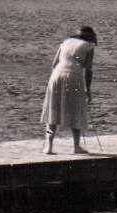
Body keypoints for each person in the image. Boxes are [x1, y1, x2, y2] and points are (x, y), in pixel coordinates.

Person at [40, 26, 97, 154]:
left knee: (53, 109)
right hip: (74, 76)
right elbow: (88, 70)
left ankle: (48, 146)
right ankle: (76, 146)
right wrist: (88, 90)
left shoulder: (66, 42)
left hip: (56, 75)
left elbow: (54, 63)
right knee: (76, 109)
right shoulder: (89, 47)